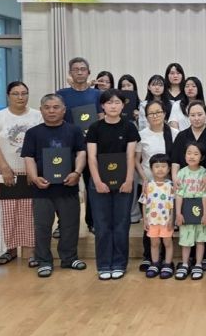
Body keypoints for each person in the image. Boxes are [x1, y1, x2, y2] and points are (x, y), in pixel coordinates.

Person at [21, 93, 87, 278]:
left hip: (68, 187)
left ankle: (69, 258)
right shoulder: (33, 133)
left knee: (70, 226)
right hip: (42, 189)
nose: (51, 111)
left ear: (64, 110)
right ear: (41, 110)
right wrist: (34, 178)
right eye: (47, 107)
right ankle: (44, 261)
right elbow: (29, 158)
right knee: (42, 227)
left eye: (56, 107)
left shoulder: (74, 130)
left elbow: (81, 153)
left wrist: (77, 173)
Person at [0, 81, 42, 268]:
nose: (20, 97)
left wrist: (35, 171)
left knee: (30, 214)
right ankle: (9, 250)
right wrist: (4, 168)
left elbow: (42, 143)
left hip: (31, 173)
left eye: (24, 93)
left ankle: (31, 252)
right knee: (8, 213)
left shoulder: (37, 116)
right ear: (8, 96)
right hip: (7, 173)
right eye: (16, 93)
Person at [86, 89, 140, 281]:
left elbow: (130, 156)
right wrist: (97, 181)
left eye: (117, 102)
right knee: (102, 225)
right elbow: (91, 157)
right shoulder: (94, 128)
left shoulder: (129, 127)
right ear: (102, 105)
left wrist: (129, 180)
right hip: (99, 183)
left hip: (124, 183)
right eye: (109, 103)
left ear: (123, 105)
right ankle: (103, 264)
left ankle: (119, 263)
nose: (113, 106)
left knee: (121, 224)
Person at [171, 101, 206, 270]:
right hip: (186, 183)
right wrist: (175, 178)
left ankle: (204, 257)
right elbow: (175, 160)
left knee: (204, 218)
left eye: (200, 114)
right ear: (188, 116)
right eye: (193, 115)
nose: (196, 118)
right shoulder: (181, 136)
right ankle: (188, 258)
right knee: (186, 219)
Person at [57, 57, 103, 235]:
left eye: (83, 69)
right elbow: (57, 118)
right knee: (65, 186)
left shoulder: (97, 95)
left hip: (92, 147)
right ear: (70, 73)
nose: (79, 72)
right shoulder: (62, 94)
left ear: (88, 72)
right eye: (75, 69)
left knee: (93, 185)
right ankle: (63, 224)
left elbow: (101, 118)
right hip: (68, 147)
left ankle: (92, 221)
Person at [134, 100, 178, 271]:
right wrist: (144, 178)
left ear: (164, 113)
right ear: (146, 116)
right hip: (148, 185)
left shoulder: (174, 133)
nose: (155, 116)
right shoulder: (142, 135)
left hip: (168, 187)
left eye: (158, 112)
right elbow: (137, 161)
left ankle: (167, 260)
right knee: (150, 223)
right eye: (151, 113)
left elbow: (177, 160)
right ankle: (150, 258)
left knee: (166, 223)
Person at [174, 142, 206, 281]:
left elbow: (205, 195)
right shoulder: (181, 173)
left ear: (202, 157)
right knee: (186, 239)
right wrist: (178, 214)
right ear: (184, 156)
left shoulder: (204, 173)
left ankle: (198, 264)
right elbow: (179, 195)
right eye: (189, 153)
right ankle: (184, 264)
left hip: (201, 211)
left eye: (196, 154)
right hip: (185, 210)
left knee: (200, 240)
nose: (192, 156)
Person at [140, 154, 175, 279]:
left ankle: (168, 264)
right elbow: (144, 203)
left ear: (169, 169)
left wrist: (172, 218)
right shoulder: (148, 185)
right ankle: (155, 263)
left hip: (166, 221)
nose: (160, 169)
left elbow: (173, 204)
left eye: (163, 166)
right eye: (157, 166)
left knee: (167, 242)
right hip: (152, 221)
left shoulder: (171, 185)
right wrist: (145, 219)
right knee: (154, 243)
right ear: (151, 169)